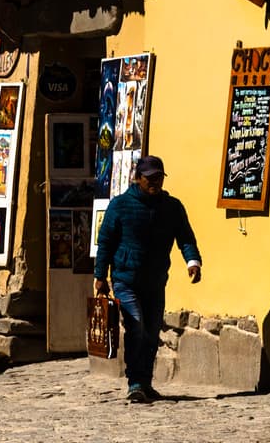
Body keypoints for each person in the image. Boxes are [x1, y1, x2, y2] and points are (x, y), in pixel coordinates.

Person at [94, 155, 201, 403]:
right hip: (125, 279)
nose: (155, 182)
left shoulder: (172, 207)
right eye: (150, 177)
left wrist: (193, 261)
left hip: (155, 280)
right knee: (137, 325)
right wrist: (100, 275)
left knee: (152, 332)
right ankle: (134, 382)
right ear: (138, 178)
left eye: (159, 177)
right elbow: (106, 242)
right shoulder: (120, 205)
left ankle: (145, 382)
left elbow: (185, 237)